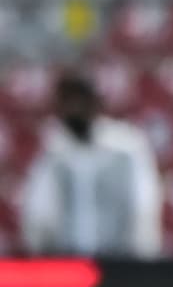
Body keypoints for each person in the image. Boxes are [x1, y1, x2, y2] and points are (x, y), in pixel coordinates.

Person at [21, 72, 162, 259]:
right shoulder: (53, 152)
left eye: (80, 101)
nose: (74, 109)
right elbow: (39, 215)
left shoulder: (125, 149)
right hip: (68, 264)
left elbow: (143, 208)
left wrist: (142, 259)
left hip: (120, 262)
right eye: (68, 102)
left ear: (95, 103)